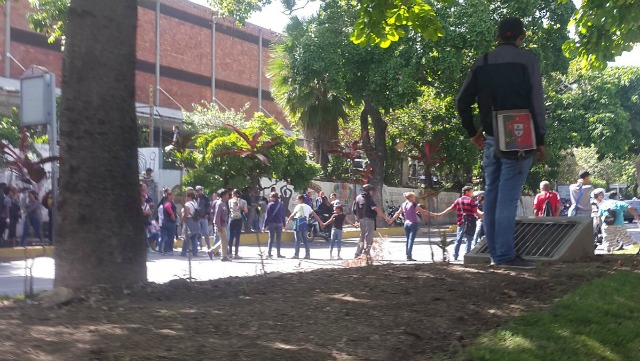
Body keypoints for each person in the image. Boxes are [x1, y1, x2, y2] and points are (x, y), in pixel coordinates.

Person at [456, 17, 545, 269]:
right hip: (520, 138)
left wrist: (473, 133)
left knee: (493, 197)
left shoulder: (482, 61)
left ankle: (497, 255)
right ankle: (506, 256)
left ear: (497, 37)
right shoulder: (528, 60)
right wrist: (541, 139)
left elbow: (462, 101)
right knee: (507, 198)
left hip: (492, 139)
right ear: (522, 36)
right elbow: (536, 103)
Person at [432, 186, 483, 261]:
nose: (472, 193)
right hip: (470, 222)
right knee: (469, 239)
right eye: (471, 191)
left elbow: (450, 208)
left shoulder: (458, 200)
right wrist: (482, 216)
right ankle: (467, 255)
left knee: (458, 239)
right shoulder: (471, 201)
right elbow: (476, 211)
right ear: (467, 192)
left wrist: (441, 214)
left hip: (461, 222)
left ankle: (455, 255)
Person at [389, 192, 431, 261]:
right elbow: (422, 211)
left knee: (408, 240)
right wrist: (434, 214)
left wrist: (391, 220)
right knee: (411, 240)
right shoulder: (413, 204)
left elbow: (397, 213)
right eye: (414, 197)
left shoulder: (403, 204)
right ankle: (409, 256)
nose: (415, 198)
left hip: (406, 224)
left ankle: (408, 254)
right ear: (411, 197)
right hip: (413, 223)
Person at [352, 184, 391, 258]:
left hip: (361, 220)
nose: (372, 192)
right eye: (371, 190)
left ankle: (358, 253)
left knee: (362, 237)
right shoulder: (368, 198)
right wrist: (386, 218)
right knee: (369, 237)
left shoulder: (358, 198)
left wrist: (357, 220)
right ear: (369, 191)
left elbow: (354, 210)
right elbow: (376, 209)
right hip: (368, 220)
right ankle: (366, 254)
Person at [285, 194, 323, 259]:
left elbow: (293, 214)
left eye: (297, 199)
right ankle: (307, 254)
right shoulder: (308, 207)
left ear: (301, 200)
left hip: (298, 224)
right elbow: (315, 215)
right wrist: (321, 222)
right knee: (305, 240)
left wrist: (288, 220)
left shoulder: (298, 206)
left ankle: (296, 255)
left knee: (297, 240)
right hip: (305, 224)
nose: (296, 200)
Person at [210, 189, 231, 262]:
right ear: (224, 195)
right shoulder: (219, 204)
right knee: (224, 240)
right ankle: (223, 256)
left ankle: (212, 251)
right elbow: (217, 216)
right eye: (227, 194)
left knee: (224, 240)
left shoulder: (224, 203)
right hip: (220, 225)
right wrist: (218, 226)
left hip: (223, 224)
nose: (228, 196)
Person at [262, 192, 286, 258]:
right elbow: (283, 215)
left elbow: (267, 216)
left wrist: (264, 226)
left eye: (270, 197)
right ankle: (278, 254)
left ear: (273, 197)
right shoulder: (281, 205)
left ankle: (269, 253)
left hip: (271, 223)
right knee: (278, 239)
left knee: (271, 239)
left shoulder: (270, 205)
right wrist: (284, 225)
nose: (269, 198)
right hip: (279, 223)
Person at [228, 189, 248, 259]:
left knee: (231, 236)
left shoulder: (230, 201)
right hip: (239, 219)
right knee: (237, 237)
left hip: (232, 219)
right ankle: (236, 254)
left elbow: (229, 209)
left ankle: (230, 253)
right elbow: (246, 211)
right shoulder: (243, 201)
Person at [180, 191, 200, 257]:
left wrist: (182, 220)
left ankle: (183, 252)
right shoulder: (195, 203)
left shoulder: (187, 204)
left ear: (189, 197)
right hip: (195, 221)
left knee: (187, 238)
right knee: (194, 238)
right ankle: (195, 253)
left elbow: (187, 214)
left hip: (189, 221)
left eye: (186, 196)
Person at [195, 186, 211, 250]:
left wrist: (207, 214)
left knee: (206, 233)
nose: (198, 192)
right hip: (197, 218)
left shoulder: (205, 198)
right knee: (198, 233)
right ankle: (200, 245)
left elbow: (208, 207)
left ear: (201, 190)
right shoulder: (195, 198)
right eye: (197, 190)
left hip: (204, 217)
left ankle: (208, 245)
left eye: (199, 190)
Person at [161, 191, 177, 255]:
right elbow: (167, 207)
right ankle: (167, 250)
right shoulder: (169, 202)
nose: (173, 196)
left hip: (166, 221)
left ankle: (168, 250)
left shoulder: (167, 202)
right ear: (169, 196)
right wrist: (172, 214)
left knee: (167, 236)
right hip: (169, 222)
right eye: (172, 195)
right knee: (170, 237)